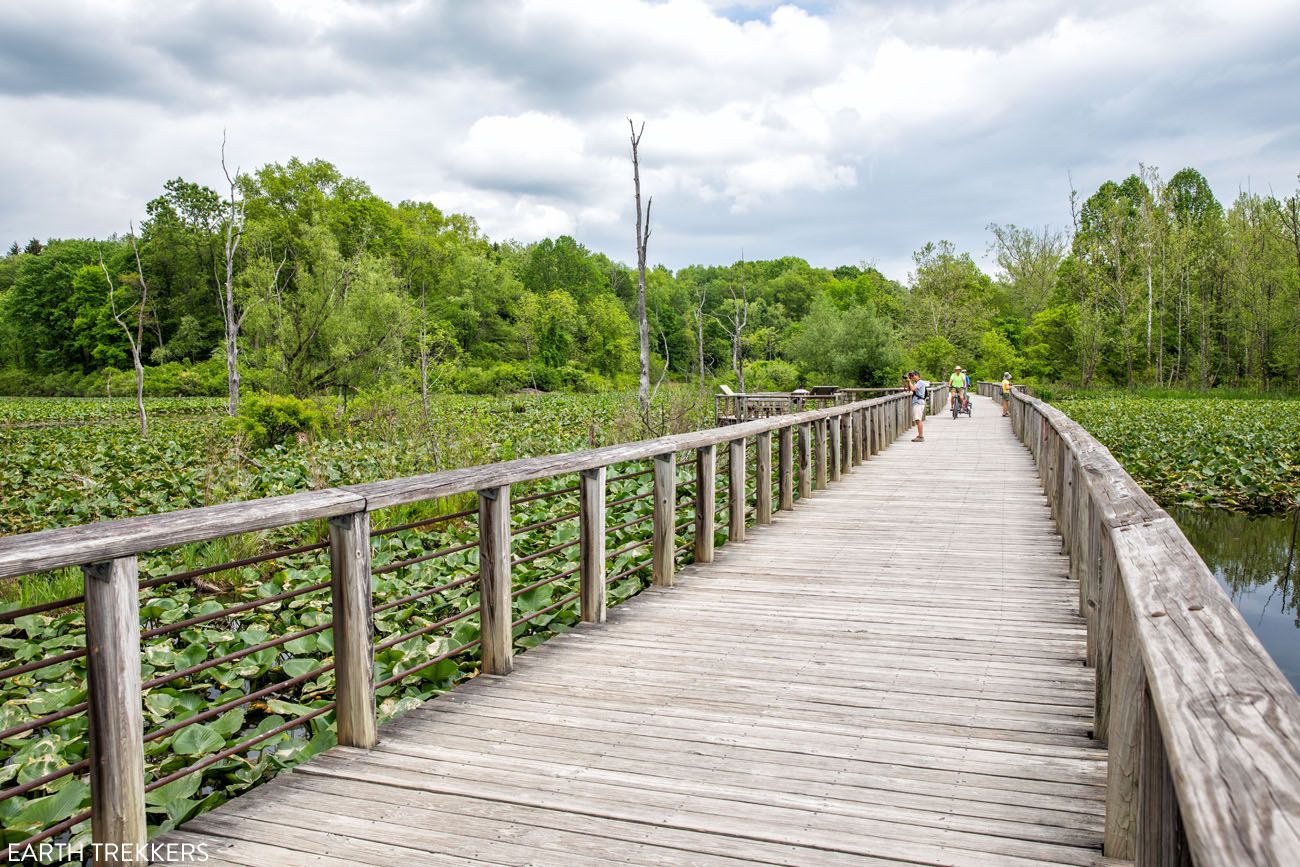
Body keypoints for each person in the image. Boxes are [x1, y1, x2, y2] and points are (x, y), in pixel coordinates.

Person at [906, 370, 929, 441]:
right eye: (911, 376)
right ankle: (919, 435)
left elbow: (913, 389)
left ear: (917, 375)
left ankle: (921, 436)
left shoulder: (920, 382)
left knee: (918, 420)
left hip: (919, 403)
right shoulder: (917, 383)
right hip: (917, 402)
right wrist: (908, 382)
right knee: (917, 419)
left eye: (912, 376)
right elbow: (909, 389)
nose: (912, 377)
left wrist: (909, 381)